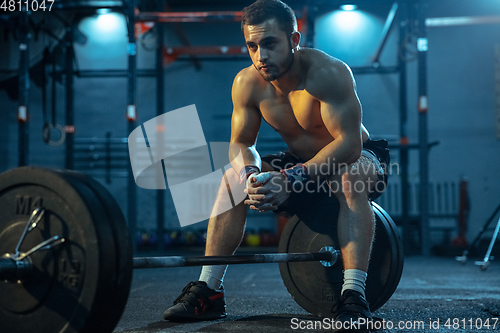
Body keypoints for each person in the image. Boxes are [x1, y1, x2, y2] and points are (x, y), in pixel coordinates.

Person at [163, 0, 389, 331]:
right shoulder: (247, 83)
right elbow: (242, 144)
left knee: (350, 176)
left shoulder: (328, 74)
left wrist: (291, 178)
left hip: (353, 157)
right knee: (231, 180)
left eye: (270, 44)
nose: (260, 56)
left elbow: (350, 145)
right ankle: (208, 290)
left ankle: (353, 296)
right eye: (252, 46)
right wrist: (251, 174)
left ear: (294, 41)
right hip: (299, 165)